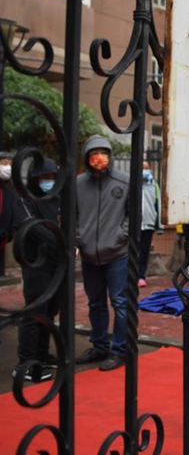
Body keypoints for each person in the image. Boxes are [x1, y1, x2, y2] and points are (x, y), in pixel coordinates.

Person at [75, 135, 130, 371]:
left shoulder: (124, 182)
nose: (99, 158)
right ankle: (99, 346)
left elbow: (134, 215)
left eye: (103, 153)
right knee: (95, 303)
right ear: (87, 158)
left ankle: (119, 350)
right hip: (89, 255)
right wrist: (79, 237)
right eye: (94, 153)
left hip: (117, 253)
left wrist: (121, 235)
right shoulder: (78, 184)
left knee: (120, 302)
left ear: (109, 156)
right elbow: (72, 214)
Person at [11, 158, 62, 383]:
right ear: (34, 179)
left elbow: (70, 222)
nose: (48, 182)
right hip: (36, 263)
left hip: (58, 263)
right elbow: (31, 228)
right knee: (35, 310)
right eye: (43, 178)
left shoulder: (57, 198)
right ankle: (25, 363)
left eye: (51, 177)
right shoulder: (24, 200)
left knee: (51, 310)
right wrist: (63, 243)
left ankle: (42, 354)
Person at [139, 160, 163, 288]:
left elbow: (158, 205)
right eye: (142, 168)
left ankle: (141, 275)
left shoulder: (154, 185)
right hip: (134, 224)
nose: (144, 171)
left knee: (144, 251)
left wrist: (159, 225)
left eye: (146, 168)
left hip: (148, 223)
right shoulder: (131, 182)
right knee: (133, 250)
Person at [0, 152, 18, 276]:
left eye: (10, 164)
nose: (8, 168)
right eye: (4, 164)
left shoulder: (9, 189)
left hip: (3, 237)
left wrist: (9, 232)